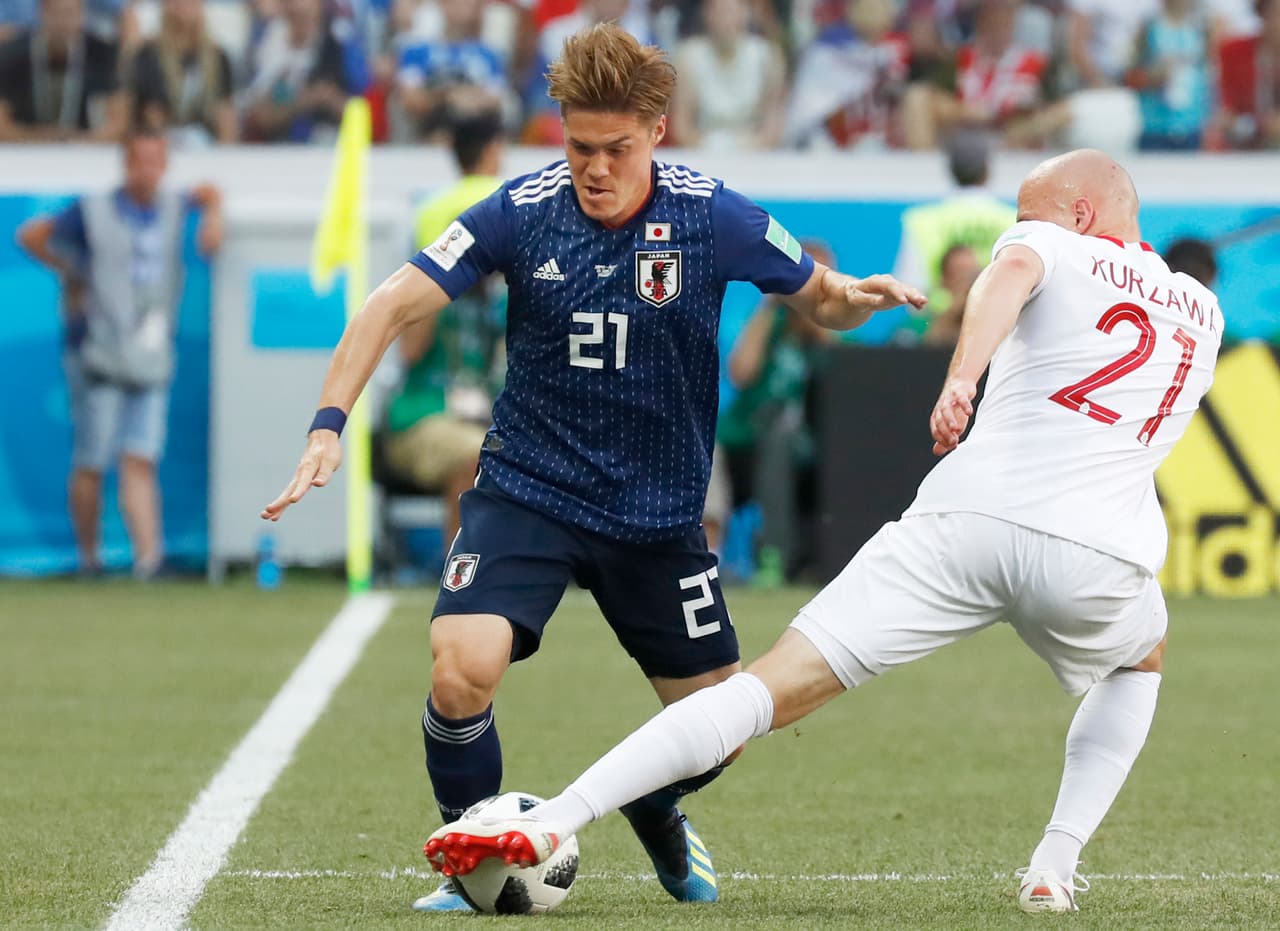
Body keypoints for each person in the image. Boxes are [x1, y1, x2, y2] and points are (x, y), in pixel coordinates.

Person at [424, 149, 1225, 918]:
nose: (1015, 225)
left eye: (1026, 213)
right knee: (1140, 658)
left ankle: (556, 815)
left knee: (759, 691)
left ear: (1079, 213)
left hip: (967, 520)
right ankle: (1054, 865)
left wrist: (960, 376)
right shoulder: (1204, 311)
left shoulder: (1044, 240)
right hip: (1101, 555)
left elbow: (1010, 273)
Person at [261, 22, 923, 913]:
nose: (596, 167)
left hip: (657, 517)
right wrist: (326, 427)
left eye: (616, 148)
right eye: (580, 146)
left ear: (656, 131)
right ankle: (477, 857)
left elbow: (823, 297)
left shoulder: (711, 215)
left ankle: (653, 803)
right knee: (460, 665)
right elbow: (388, 304)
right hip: (529, 489)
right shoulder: (519, 209)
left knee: (720, 731)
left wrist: (859, 300)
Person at [17, 129, 223, 577]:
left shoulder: (172, 206)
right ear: (126, 164)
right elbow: (30, 235)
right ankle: (88, 559)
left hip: (149, 353)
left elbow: (210, 194)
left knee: (140, 455)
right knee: (92, 457)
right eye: (140, 160)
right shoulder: (92, 210)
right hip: (97, 349)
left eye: (156, 160)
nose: (148, 170)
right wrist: (71, 272)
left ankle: (148, 559)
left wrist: (213, 218)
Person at [380, 106, 507, 552]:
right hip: (421, 415)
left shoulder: (502, 297)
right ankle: (463, 574)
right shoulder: (438, 289)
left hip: (483, 416)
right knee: (475, 450)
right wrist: (440, 276)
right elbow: (410, 351)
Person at [717, 239, 838, 588]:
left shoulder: (831, 329)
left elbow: (844, 371)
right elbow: (740, 371)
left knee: (782, 435)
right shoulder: (770, 323)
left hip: (815, 447)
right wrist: (772, 305)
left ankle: (776, 553)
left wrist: (819, 314)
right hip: (747, 438)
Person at [891, 129, 1016, 338]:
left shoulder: (922, 220)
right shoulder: (1011, 219)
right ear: (987, 170)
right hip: (996, 332)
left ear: (950, 169)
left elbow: (910, 294)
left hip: (937, 334)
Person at [0, 0, 126, 142]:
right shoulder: (12, 54)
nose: (63, 22)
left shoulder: (103, 54)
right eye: (57, 13)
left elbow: (119, 122)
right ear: (42, 13)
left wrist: (83, 141)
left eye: (70, 13)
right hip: (24, 151)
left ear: (82, 15)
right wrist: (38, 138)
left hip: (86, 152)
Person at [127, 0, 238, 146]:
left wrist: (226, 153)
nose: (184, 8)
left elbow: (225, 112)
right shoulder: (149, 54)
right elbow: (152, 111)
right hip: (160, 141)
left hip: (206, 142)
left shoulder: (217, 56)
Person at [921, 242, 981, 346]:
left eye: (973, 274)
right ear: (944, 280)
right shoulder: (923, 320)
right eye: (960, 273)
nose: (968, 282)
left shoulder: (988, 319)